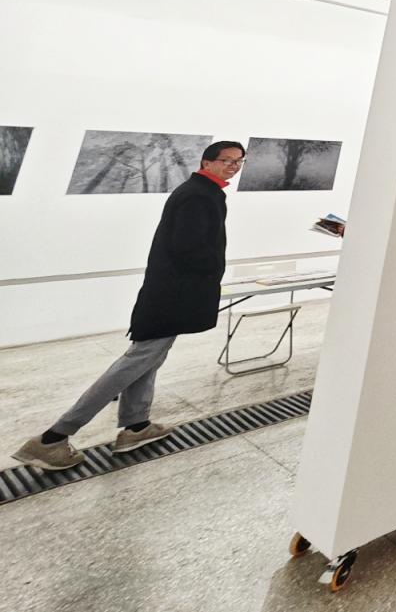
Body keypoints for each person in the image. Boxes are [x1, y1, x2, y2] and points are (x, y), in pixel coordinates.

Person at [11, 141, 244, 471]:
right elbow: (188, 247)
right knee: (137, 360)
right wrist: (213, 268)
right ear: (207, 162)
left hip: (171, 292)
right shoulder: (198, 195)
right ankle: (52, 438)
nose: (234, 165)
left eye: (239, 161)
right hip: (173, 295)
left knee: (150, 358)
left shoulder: (203, 191)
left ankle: (136, 426)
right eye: (227, 160)